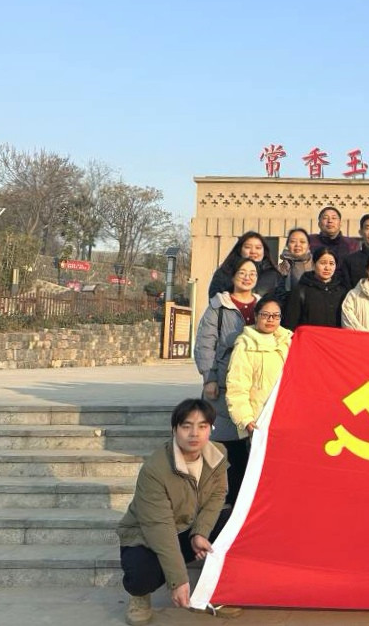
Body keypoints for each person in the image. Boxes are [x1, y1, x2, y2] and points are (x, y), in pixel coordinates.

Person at [117, 399, 241, 625]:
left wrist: (200, 532)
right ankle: (139, 597)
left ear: (210, 428)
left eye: (202, 426)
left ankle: (218, 589)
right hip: (147, 535)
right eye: (186, 426)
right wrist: (179, 580)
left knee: (235, 522)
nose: (195, 434)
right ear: (174, 429)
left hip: (190, 527)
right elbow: (159, 527)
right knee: (141, 574)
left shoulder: (218, 454)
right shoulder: (155, 470)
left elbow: (217, 495)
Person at [194, 256, 260, 507]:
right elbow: (205, 344)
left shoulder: (263, 306)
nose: (247, 277)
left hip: (254, 387)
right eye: (242, 272)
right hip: (222, 384)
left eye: (252, 273)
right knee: (222, 443)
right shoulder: (219, 306)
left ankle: (242, 501)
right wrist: (209, 377)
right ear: (233, 276)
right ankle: (220, 500)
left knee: (248, 445)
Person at [226, 296, 293, 436]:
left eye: (276, 315)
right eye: (265, 315)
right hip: (259, 421)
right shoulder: (245, 345)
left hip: (287, 418)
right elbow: (237, 386)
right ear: (256, 316)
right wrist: (245, 419)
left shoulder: (289, 342)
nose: (270, 319)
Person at [283, 247, 347, 330]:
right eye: (323, 263)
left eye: (331, 264)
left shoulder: (342, 291)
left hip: (334, 337)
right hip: (309, 337)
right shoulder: (301, 290)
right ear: (313, 264)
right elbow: (290, 323)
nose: (327, 268)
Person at [207, 231, 279, 299]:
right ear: (240, 250)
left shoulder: (274, 276)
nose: (253, 251)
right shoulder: (225, 272)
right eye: (248, 247)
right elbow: (214, 300)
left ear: (264, 251)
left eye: (258, 248)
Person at [273, 227, 315, 303]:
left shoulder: (317, 265)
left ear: (308, 246)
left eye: (302, 242)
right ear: (287, 245)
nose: (297, 245)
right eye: (293, 241)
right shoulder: (281, 269)